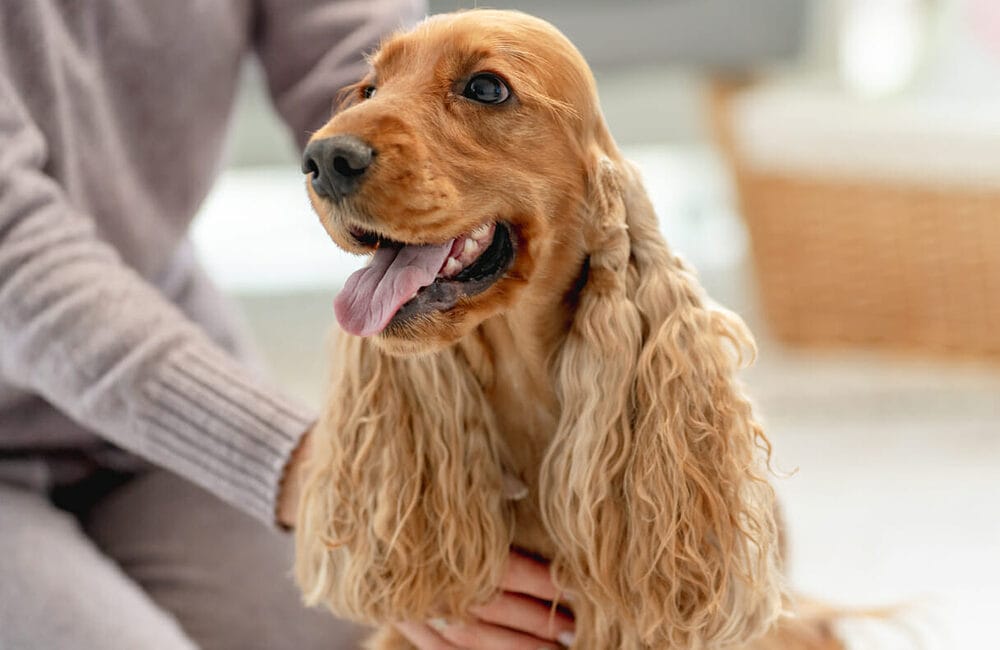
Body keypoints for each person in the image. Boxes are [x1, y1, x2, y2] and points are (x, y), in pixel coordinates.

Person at [0, 2, 573, 648]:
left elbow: (362, 61)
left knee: (387, 626)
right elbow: (13, 256)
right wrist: (317, 476)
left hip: (155, 434)